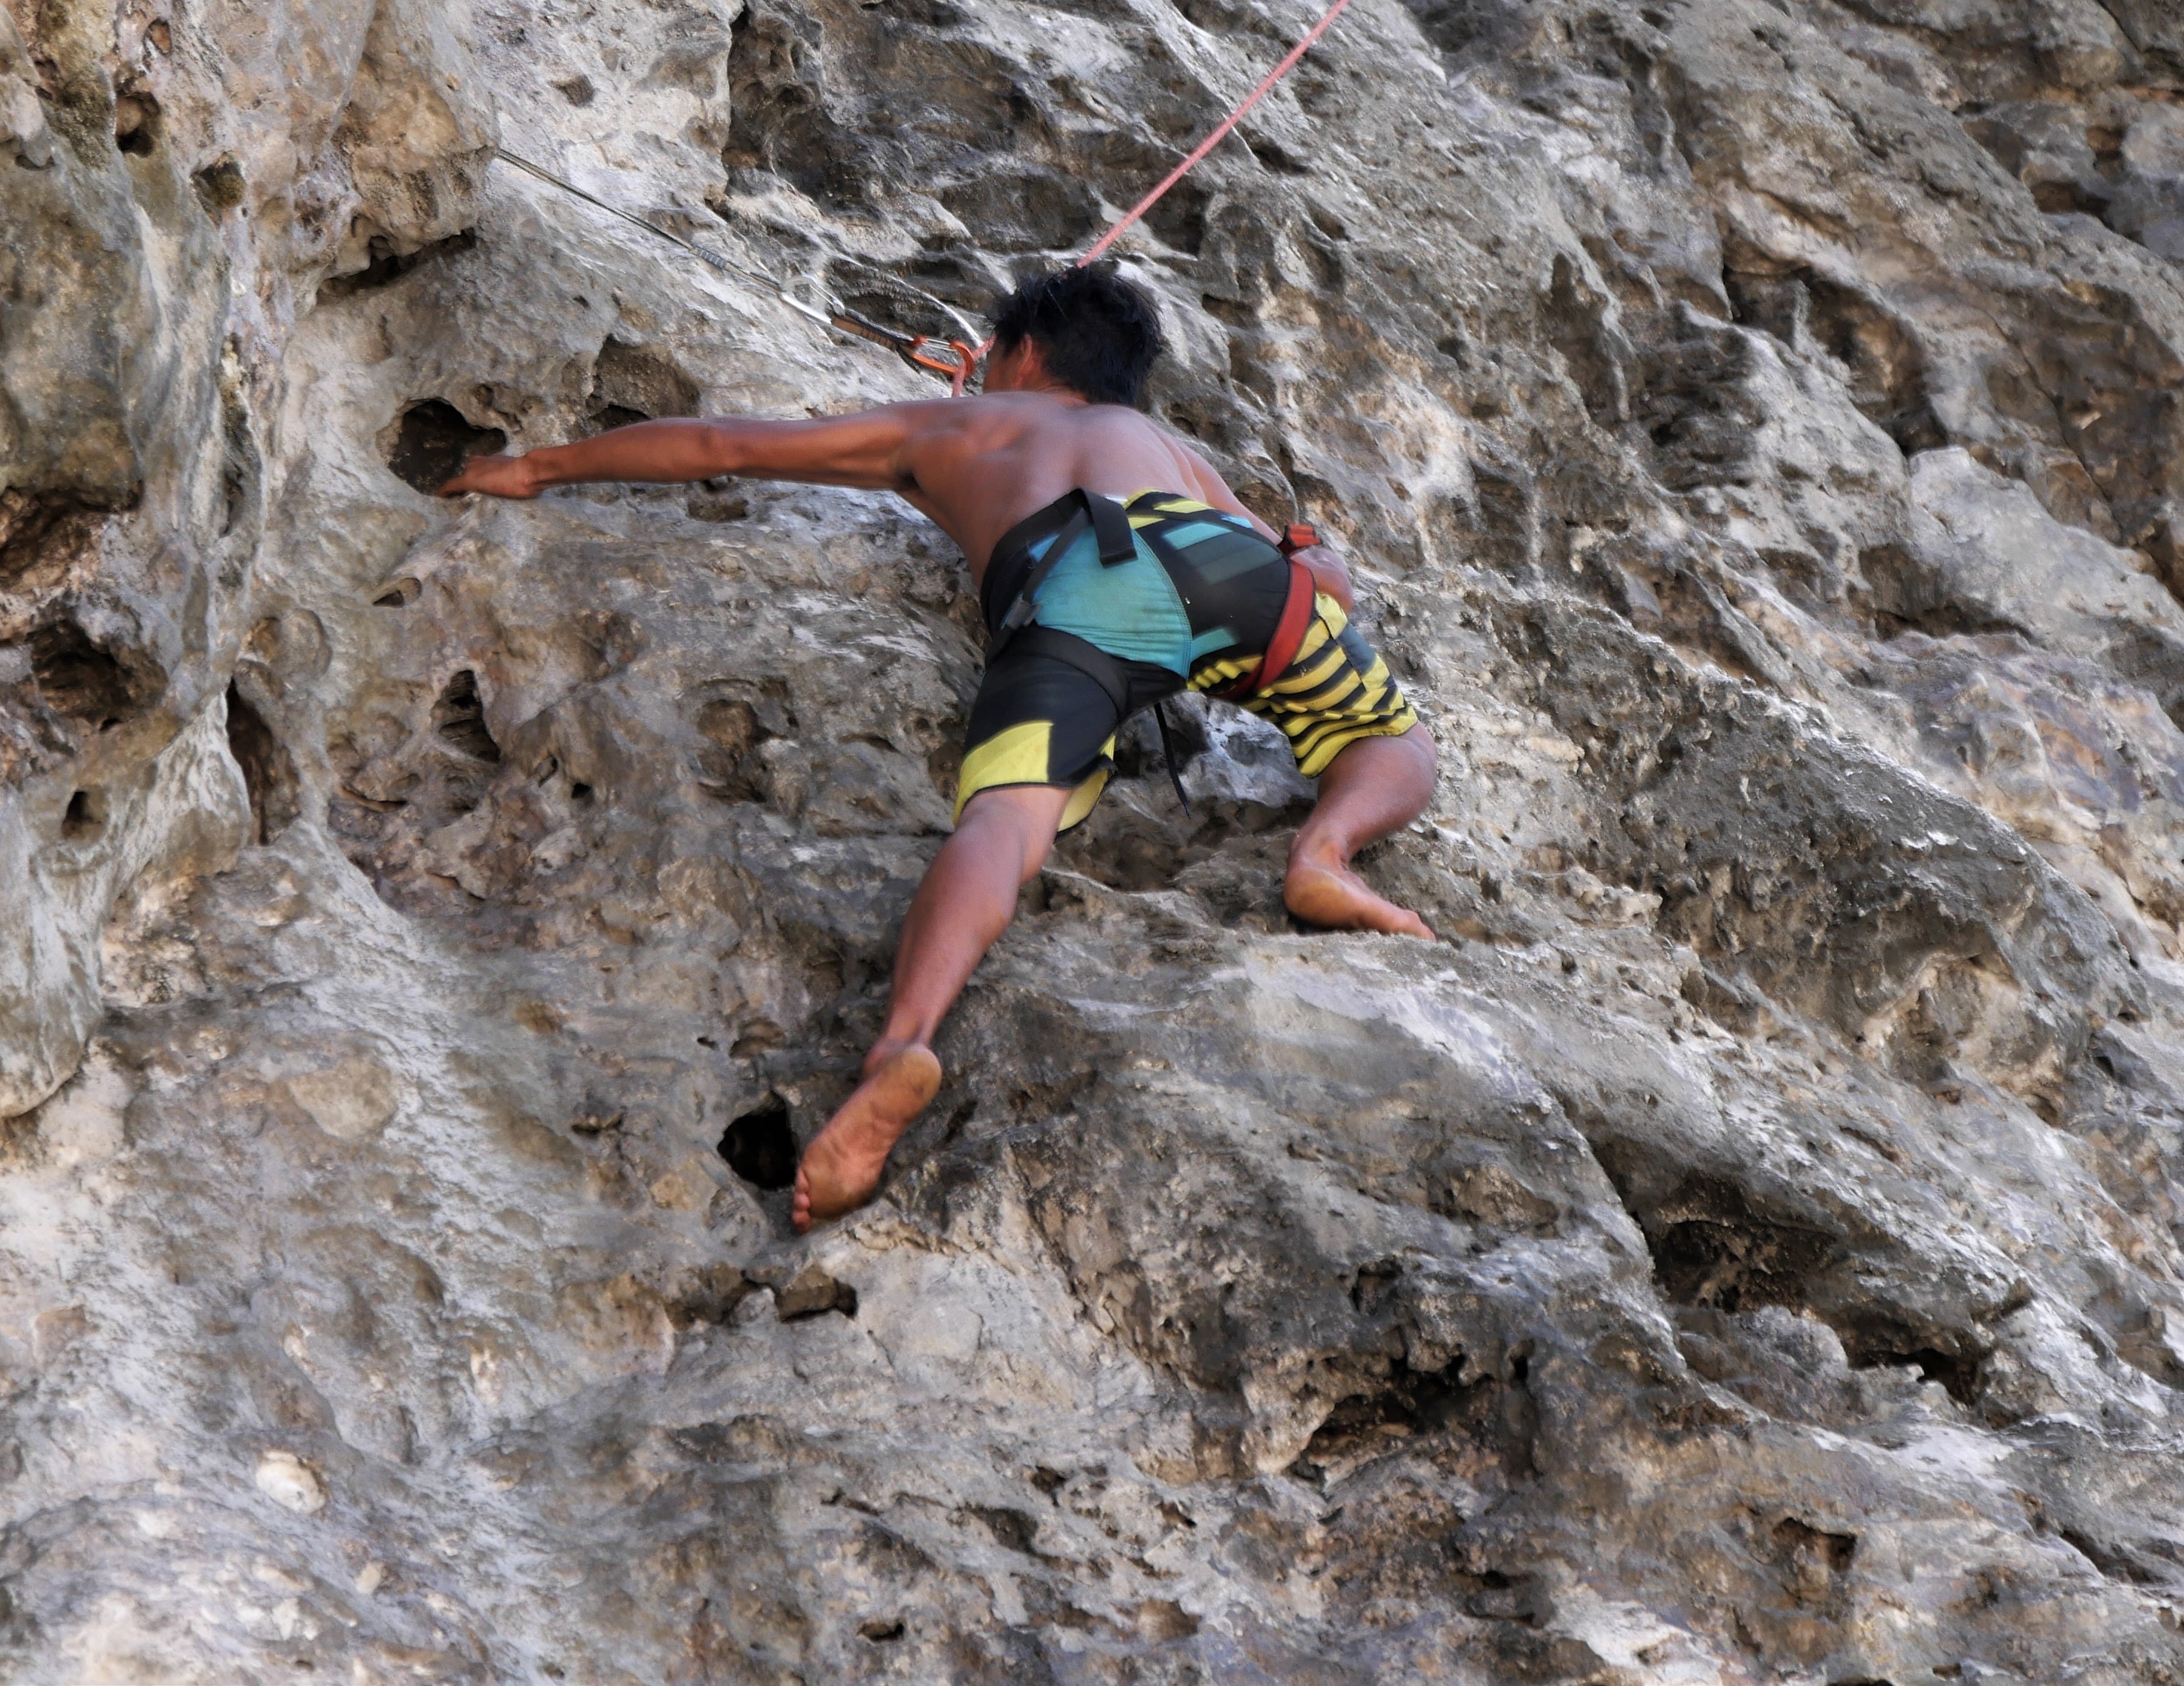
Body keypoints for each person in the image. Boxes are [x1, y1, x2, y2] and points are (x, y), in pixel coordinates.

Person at [438, 262, 1439, 1228]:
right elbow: (1330, 584)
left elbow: (713, 443)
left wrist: (535, 467)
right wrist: (1321, 556)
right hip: (1220, 563)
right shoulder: (1167, 447)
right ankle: (1322, 855)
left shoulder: (959, 422)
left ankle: (903, 1049)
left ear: (1025, 351)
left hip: (1079, 585)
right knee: (1392, 739)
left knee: (1003, 826)